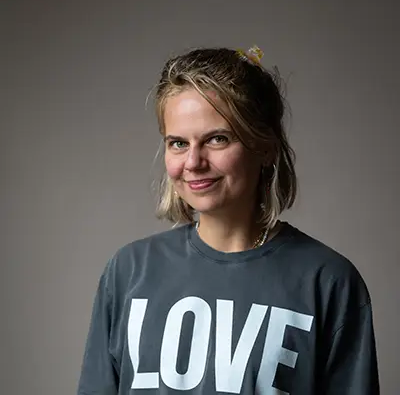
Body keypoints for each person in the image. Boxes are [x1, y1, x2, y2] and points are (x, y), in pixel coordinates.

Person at [77, 45, 380, 394]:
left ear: (264, 148)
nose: (193, 162)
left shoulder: (327, 282)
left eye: (217, 139)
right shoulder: (129, 271)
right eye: (178, 143)